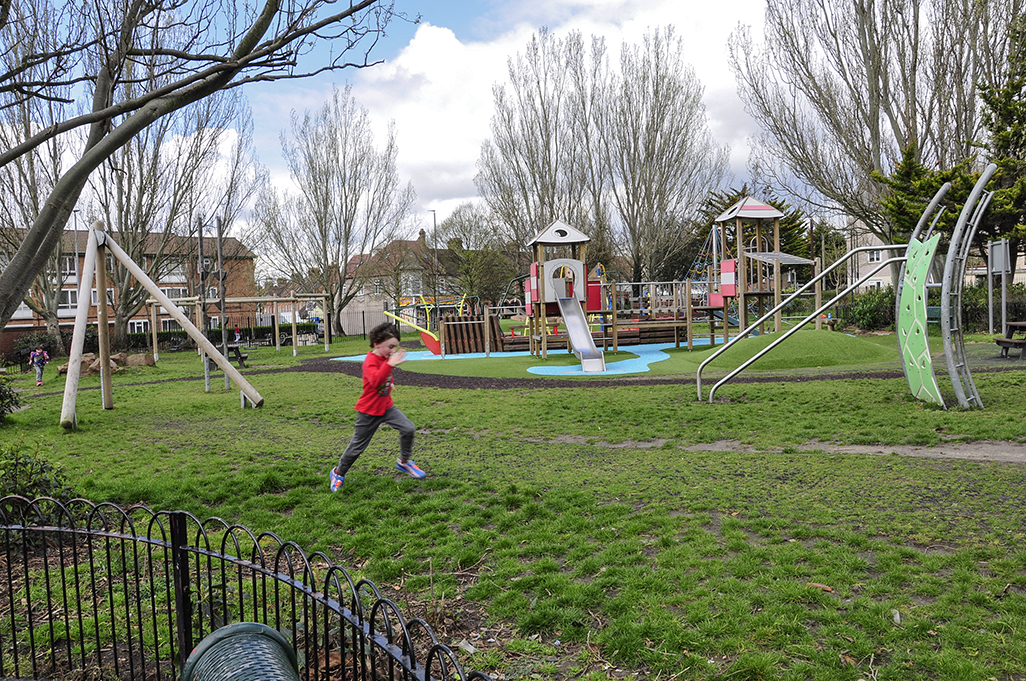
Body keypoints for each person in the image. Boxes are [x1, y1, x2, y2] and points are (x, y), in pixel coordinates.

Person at [330, 322, 425, 491]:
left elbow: (386, 375)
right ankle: (338, 472)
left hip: (386, 407)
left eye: (395, 347)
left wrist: (391, 382)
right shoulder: (370, 362)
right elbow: (375, 381)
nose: (393, 351)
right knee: (356, 448)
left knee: (408, 428)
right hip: (369, 411)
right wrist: (390, 365)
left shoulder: (384, 358)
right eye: (390, 347)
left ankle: (404, 462)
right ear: (377, 343)